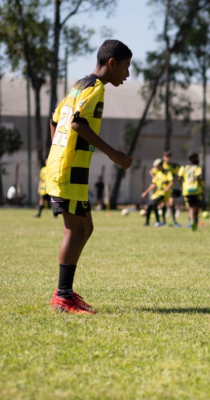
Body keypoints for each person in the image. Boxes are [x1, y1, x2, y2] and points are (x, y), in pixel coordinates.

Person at [46, 39, 133, 314]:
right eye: (126, 67)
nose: (127, 75)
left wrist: (56, 151)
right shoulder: (94, 89)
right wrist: (114, 154)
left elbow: (54, 119)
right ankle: (62, 296)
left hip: (69, 167)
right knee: (74, 230)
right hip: (68, 170)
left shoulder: (78, 86)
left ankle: (66, 290)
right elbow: (76, 123)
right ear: (112, 63)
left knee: (86, 228)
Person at [142, 158, 174, 227]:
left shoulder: (167, 173)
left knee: (153, 203)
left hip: (164, 193)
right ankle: (147, 223)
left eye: (156, 167)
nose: (155, 168)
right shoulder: (158, 174)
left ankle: (158, 221)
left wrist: (167, 188)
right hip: (158, 193)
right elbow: (153, 184)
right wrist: (146, 192)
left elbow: (172, 182)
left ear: (160, 165)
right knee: (149, 205)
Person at [180, 152, 204, 231]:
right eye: (197, 157)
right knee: (196, 206)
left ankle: (191, 220)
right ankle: (195, 220)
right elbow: (198, 177)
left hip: (186, 189)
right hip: (196, 189)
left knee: (190, 207)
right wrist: (201, 186)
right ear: (194, 159)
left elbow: (179, 178)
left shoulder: (184, 167)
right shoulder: (197, 167)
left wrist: (182, 185)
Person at [163, 150, 183, 227]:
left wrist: (179, 183)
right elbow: (153, 171)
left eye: (169, 157)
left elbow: (178, 176)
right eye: (166, 157)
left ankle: (174, 218)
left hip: (172, 186)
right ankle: (164, 220)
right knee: (164, 203)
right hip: (163, 187)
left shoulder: (174, 166)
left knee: (172, 201)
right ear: (163, 157)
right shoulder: (162, 165)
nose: (168, 159)